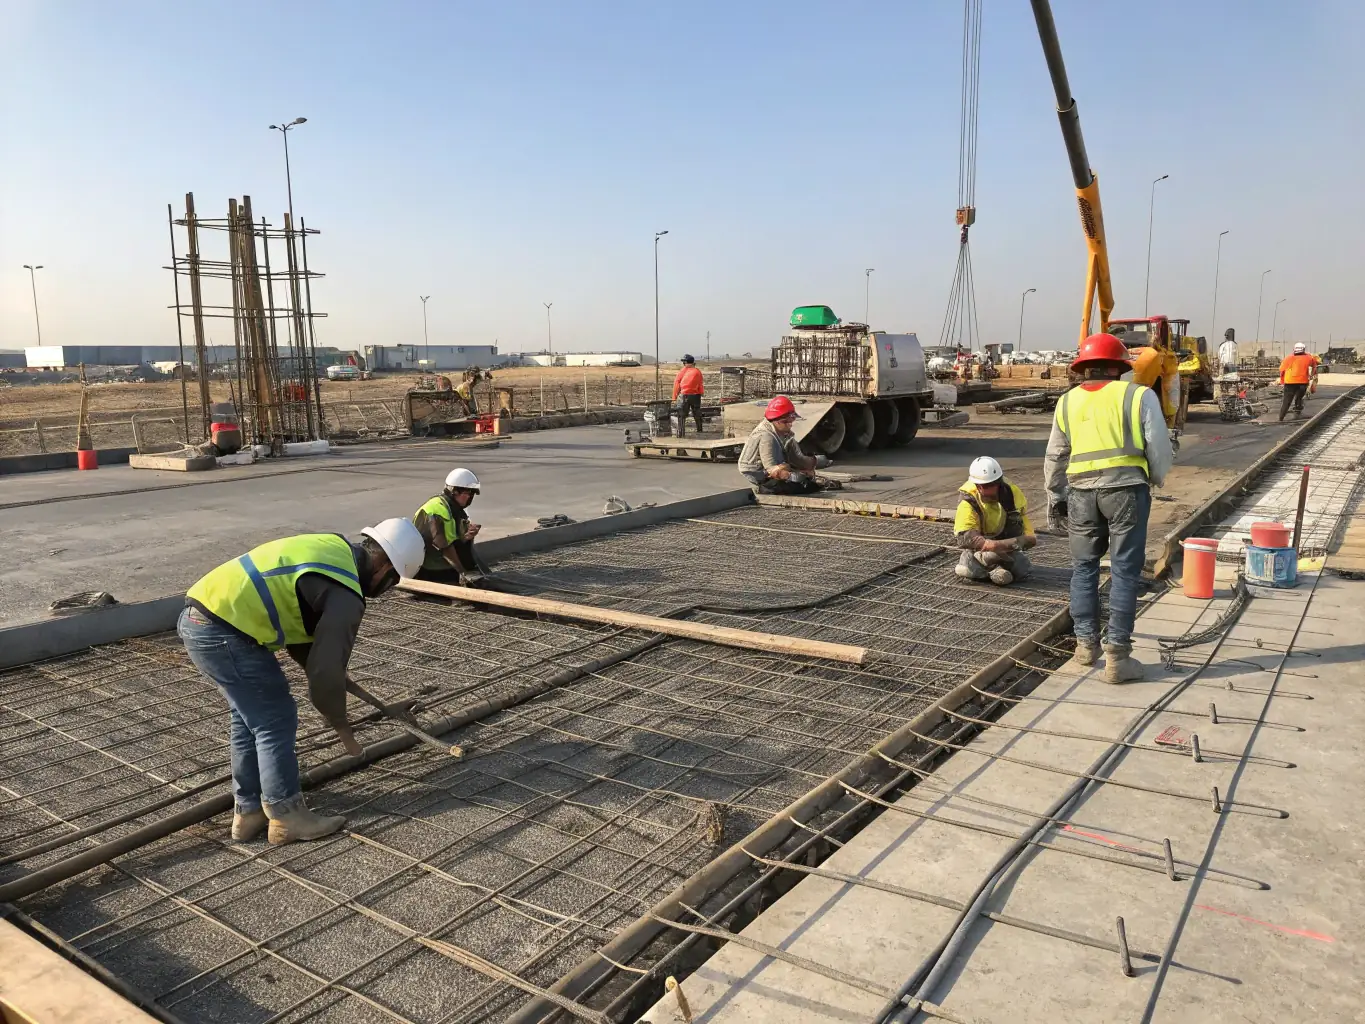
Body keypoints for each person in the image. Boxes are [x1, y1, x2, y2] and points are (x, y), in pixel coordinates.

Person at [180, 518, 425, 844]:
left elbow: (302, 632)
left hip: (202, 618)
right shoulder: (347, 595)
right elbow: (324, 673)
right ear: (385, 568)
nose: (388, 588)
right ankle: (286, 815)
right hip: (224, 631)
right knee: (275, 719)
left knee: (248, 718)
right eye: (393, 581)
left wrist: (331, 673)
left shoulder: (334, 550)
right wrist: (340, 722)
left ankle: (249, 811)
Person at [1044, 333, 1173, 683]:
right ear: (1120, 367)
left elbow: (1055, 454)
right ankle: (1118, 656)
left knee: (1083, 568)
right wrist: (1155, 478)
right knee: (1125, 571)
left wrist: (1055, 495)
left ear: (1083, 368)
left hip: (1081, 494)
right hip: (1126, 490)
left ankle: (1085, 646)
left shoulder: (1067, 402)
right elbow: (1158, 446)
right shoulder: (1138, 395)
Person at [953, 456, 1036, 586]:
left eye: (993, 484)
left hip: (1006, 546)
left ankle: (991, 565)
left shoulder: (1011, 493)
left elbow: (1029, 536)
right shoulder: (968, 500)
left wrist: (1001, 545)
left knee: (1023, 569)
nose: (990, 489)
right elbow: (965, 536)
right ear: (977, 486)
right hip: (979, 548)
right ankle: (989, 567)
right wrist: (987, 545)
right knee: (967, 569)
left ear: (999, 482)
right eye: (985, 486)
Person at [738, 396, 833, 494]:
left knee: (801, 475)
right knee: (802, 484)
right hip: (760, 474)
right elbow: (772, 470)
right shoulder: (767, 437)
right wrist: (792, 476)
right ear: (777, 421)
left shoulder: (783, 433)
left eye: (792, 420)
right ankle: (767, 488)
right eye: (786, 422)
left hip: (771, 470)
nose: (790, 424)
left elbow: (797, 458)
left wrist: (813, 462)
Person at [413, 468, 482, 582]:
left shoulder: (451, 507)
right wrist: (463, 573)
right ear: (455, 491)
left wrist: (466, 537)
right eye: (468, 493)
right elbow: (446, 549)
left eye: (472, 494)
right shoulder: (438, 511)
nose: (470, 497)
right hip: (432, 569)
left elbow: (452, 539)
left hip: (438, 563)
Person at [1277, 342, 1320, 421]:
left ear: (1294, 349)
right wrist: (1311, 375)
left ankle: (1281, 418)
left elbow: (1281, 370)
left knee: (1287, 401)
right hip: (1303, 382)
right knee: (1299, 397)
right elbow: (1314, 366)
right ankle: (1298, 408)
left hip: (1289, 382)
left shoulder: (1288, 358)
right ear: (1303, 349)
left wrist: (1282, 381)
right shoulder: (1309, 358)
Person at [671, 355, 705, 437]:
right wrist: (701, 392)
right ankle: (700, 430)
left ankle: (681, 433)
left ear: (685, 363)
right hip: (696, 395)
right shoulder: (698, 371)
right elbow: (700, 384)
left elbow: (677, 384)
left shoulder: (683, 371)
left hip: (684, 395)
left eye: (684, 362)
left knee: (681, 415)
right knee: (697, 413)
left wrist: (674, 397)